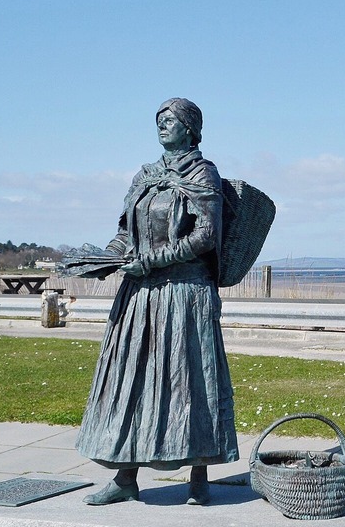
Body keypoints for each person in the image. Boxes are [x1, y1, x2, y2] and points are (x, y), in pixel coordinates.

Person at [75, 98, 238, 506]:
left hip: (184, 294)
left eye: (170, 121)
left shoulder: (203, 173)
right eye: (158, 121)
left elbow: (205, 236)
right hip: (140, 297)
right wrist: (109, 258)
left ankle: (198, 476)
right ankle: (125, 476)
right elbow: (126, 230)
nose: (162, 127)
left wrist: (151, 260)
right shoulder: (145, 175)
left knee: (189, 381)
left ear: (190, 128)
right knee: (130, 380)